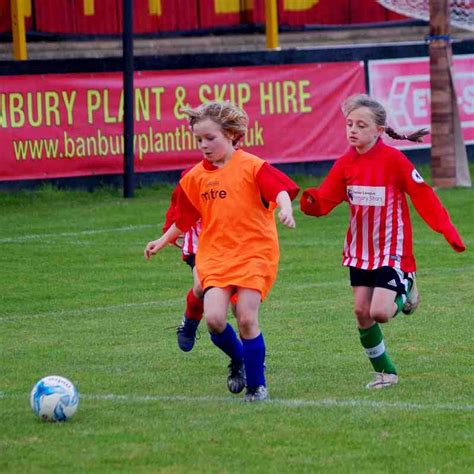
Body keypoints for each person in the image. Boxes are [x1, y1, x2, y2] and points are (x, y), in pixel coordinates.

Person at [300, 93, 466, 389]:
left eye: (361, 125)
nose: (352, 130)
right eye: (350, 124)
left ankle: (407, 282)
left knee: (380, 312)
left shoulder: (394, 160)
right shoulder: (345, 164)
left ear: (378, 131)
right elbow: (325, 200)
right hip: (360, 250)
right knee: (362, 313)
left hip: (392, 249)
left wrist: (447, 230)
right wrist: (310, 202)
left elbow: (423, 195)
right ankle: (386, 373)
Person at [145, 101, 300, 401]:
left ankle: (257, 387)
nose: (203, 145)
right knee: (215, 319)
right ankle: (241, 357)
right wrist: (162, 241)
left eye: (210, 138)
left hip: (255, 254)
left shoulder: (252, 166)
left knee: (245, 317)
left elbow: (279, 188)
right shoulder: (194, 178)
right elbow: (185, 219)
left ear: (231, 134)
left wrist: (284, 208)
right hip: (215, 255)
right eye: (198, 140)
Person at [162, 173, 204, 353]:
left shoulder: (248, 168)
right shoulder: (194, 175)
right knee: (202, 287)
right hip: (199, 247)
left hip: (235, 248)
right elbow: (178, 205)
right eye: (202, 141)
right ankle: (190, 322)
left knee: (241, 310)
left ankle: (244, 361)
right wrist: (167, 233)